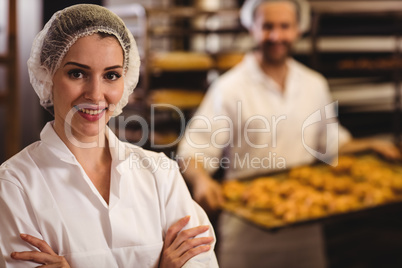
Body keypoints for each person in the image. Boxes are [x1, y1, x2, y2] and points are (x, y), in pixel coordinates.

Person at [176, 0, 401, 267]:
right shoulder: (229, 88)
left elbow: (329, 145)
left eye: (285, 26)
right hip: (248, 239)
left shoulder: (313, 84)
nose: (277, 36)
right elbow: (192, 152)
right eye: (268, 26)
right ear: (252, 27)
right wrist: (201, 181)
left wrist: (373, 145)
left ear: (299, 29)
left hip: (305, 234)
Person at [0, 4, 219, 268]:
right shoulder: (14, 185)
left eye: (111, 75)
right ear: (48, 75)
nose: (95, 93)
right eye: (77, 73)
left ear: (125, 81)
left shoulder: (161, 174)